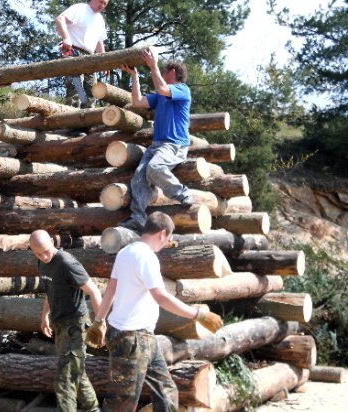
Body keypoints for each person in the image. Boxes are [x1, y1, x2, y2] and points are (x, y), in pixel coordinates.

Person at [86, 212, 223, 412]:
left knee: (167, 393)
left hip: (142, 338)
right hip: (131, 339)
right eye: (168, 238)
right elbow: (161, 296)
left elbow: (111, 290)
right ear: (162, 234)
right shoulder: (146, 257)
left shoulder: (125, 252)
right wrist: (197, 315)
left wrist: (99, 320)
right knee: (121, 404)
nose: (168, 242)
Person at [118, 50, 194, 234]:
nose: (162, 71)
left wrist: (153, 66)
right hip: (157, 145)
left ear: (174, 73)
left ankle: (182, 193)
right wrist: (135, 76)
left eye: (165, 70)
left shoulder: (182, 89)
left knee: (155, 168)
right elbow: (137, 101)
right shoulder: (160, 96)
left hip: (174, 145)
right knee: (139, 176)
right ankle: (137, 219)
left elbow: (162, 88)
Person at [30, 230, 102, 412]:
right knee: (77, 373)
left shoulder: (66, 262)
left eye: (46, 251)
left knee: (65, 379)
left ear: (52, 243)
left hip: (76, 325)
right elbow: (50, 290)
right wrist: (44, 315)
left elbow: (94, 291)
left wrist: (101, 322)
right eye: (38, 254)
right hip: (60, 324)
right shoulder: (42, 262)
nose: (44, 257)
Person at [55, 0, 109, 108]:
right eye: (101, 2)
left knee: (91, 92)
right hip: (74, 51)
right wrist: (66, 38)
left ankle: (87, 122)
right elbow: (60, 19)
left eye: (105, 4)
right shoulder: (80, 9)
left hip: (90, 57)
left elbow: (99, 42)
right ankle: (69, 122)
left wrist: (105, 62)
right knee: (76, 89)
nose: (102, 6)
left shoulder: (100, 20)